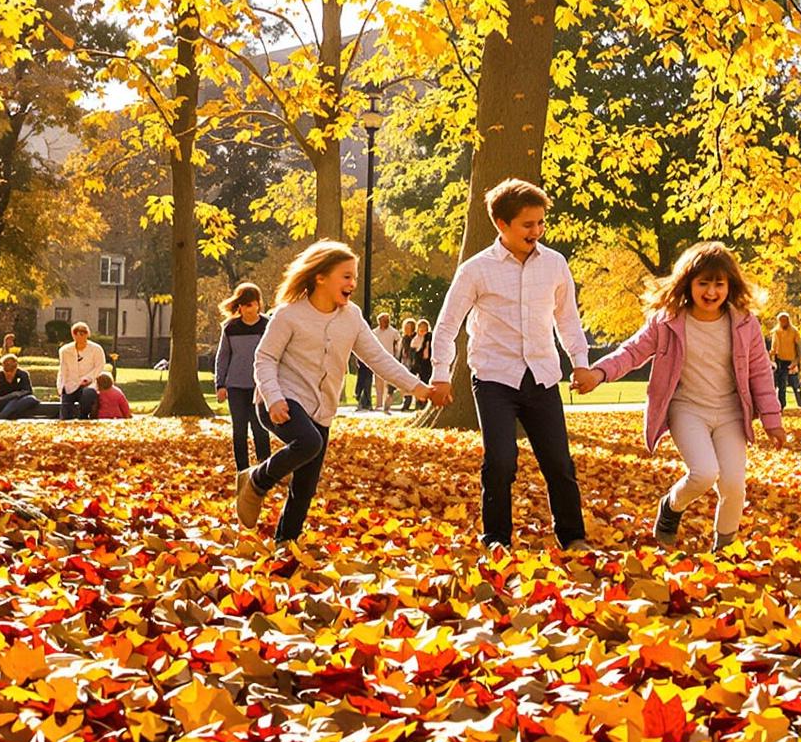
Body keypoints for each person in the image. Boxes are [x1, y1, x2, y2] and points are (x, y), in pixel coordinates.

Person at [578, 241, 787, 547]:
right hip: (687, 409)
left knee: (733, 485)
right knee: (704, 472)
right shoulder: (667, 320)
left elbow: (760, 373)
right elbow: (632, 352)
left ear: (730, 285)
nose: (711, 292)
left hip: (730, 412)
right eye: (703, 283)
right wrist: (599, 373)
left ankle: (725, 547)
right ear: (688, 284)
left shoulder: (745, 323)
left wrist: (772, 420)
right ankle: (671, 506)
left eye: (719, 284)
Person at [429, 179, 594, 551]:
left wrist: (580, 364)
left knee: (559, 464)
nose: (536, 231)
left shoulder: (554, 264)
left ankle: (572, 537)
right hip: (494, 378)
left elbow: (567, 319)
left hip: (542, 377)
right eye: (527, 224)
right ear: (501, 225)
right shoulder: (476, 269)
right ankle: (496, 538)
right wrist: (440, 375)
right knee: (501, 461)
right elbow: (447, 324)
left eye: (540, 223)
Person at [236, 240, 434, 543]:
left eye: (354, 276)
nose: (353, 283)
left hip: (321, 410)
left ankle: (285, 545)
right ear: (320, 277)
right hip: (279, 399)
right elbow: (264, 359)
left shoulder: (352, 317)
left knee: (306, 485)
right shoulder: (289, 314)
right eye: (346, 276)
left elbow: (378, 358)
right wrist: (273, 398)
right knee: (308, 441)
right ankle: (257, 480)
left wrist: (417, 387)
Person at [214, 283, 270, 471]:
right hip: (236, 386)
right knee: (239, 430)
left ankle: (264, 467)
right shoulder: (230, 328)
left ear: (258, 305)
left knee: (260, 428)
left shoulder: (267, 326)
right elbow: (223, 356)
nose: (248, 309)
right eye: (244, 305)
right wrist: (220, 384)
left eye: (251, 305)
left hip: (260, 386)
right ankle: (243, 470)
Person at [57, 321, 109, 419]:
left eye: (83, 333)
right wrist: (60, 386)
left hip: (88, 384)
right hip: (70, 383)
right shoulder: (65, 351)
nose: (80, 336)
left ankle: (83, 418)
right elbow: (63, 369)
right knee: (65, 406)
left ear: (87, 334)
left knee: (87, 395)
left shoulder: (96, 349)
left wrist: (88, 378)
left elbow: (99, 366)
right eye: (76, 333)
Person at [769, 311, 801, 408]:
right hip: (780, 361)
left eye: (784, 320)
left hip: (792, 360)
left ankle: (800, 403)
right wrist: (770, 356)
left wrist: (797, 360)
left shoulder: (794, 331)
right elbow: (774, 347)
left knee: (795, 384)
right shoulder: (776, 332)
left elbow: (799, 347)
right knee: (781, 384)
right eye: (781, 321)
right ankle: (782, 404)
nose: (783, 323)